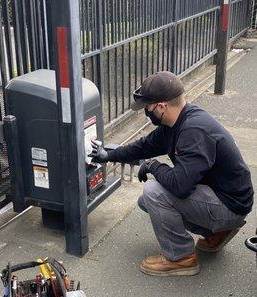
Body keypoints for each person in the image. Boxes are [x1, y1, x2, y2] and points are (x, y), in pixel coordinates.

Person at [90, 71, 254, 277]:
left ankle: (181, 257)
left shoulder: (193, 131)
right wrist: (108, 155)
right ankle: (216, 233)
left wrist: (153, 166)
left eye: (147, 109)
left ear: (161, 106)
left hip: (230, 206)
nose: (146, 113)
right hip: (220, 196)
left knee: (154, 192)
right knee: (146, 201)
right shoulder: (176, 122)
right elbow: (143, 147)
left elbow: (180, 186)